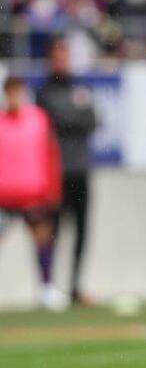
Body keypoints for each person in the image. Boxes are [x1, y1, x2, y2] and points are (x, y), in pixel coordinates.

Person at [35, 36, 97, 304]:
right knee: (54, 230)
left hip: (80, 170)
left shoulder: (79, 88)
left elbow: (92, 120)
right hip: (56, 173)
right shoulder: (44, 92)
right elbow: (52, 121)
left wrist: (70, 117)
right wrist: (74, 115)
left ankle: (75, 286)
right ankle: (51, 287)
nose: (64, 61)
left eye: (67, 56)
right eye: (59, 56)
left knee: (82, 229)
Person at [0, 77, 65, 310]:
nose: (15, 97)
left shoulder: (38, 119)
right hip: (4, 196)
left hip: (32, 194)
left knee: (43, 239)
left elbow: (51, 154)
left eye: (18, 92)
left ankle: (46, 288)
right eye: (11, 92)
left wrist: (52, 190)